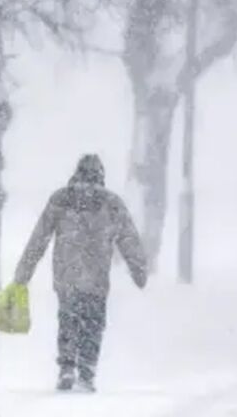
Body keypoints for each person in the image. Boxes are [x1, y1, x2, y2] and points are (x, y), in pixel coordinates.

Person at [11, 154, 147, 393]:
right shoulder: (111, 203)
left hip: (67, 274)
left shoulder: (62, 199)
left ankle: (66, 365)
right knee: (93, 322)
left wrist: (24, 272)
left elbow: (39, 238)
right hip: (96, 276)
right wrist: (138, 269)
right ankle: (86, 370)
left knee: (68, 318)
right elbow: (129, 239)